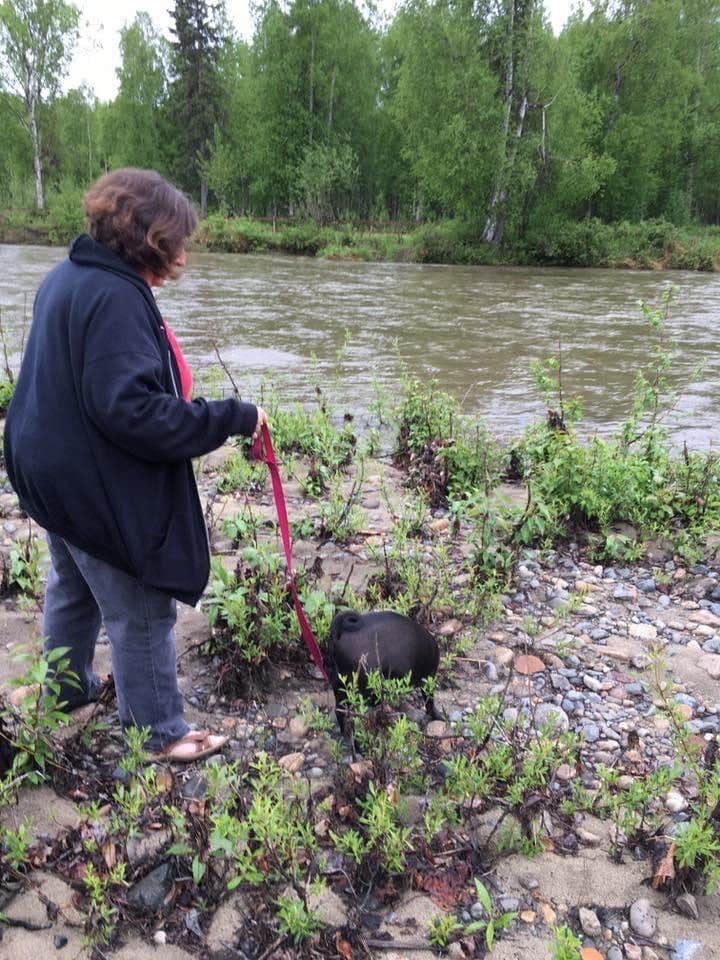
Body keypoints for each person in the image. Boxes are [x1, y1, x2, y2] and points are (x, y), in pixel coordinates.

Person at [4, 168, 267, 762]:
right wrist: (232, 416)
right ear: (151, 239)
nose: (184, 254)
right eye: (179, 240)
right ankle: (159, 732)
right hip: (86, 481)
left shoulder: (68, 276)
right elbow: (135, 414)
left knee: (72, 583)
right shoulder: (117, 297)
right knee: (141, 604)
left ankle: (66, 686)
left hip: (48, 474)